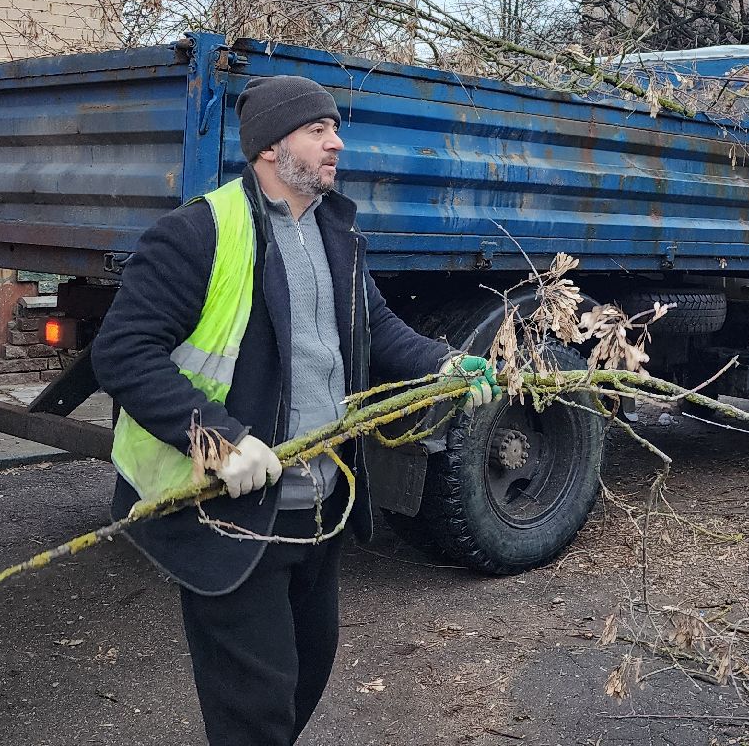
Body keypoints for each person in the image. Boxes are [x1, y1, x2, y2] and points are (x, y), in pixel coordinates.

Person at [93, 74, 495, 746]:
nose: (337, 142)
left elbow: (374, 324)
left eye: (334, 128)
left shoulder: (336, 230)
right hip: (235, 515)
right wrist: (218, 441)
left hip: (317, 505)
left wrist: (445, 364)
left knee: (305, 675)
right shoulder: (197, 233)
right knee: (255, 711)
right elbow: (123, 355)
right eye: (319, 129)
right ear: (273, 148)